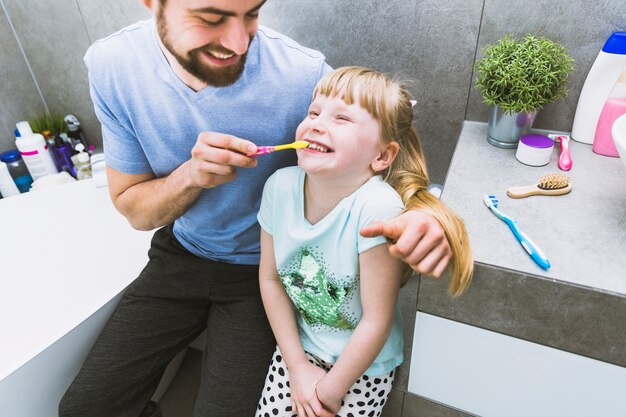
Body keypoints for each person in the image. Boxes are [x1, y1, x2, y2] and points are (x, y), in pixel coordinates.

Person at [59, 1, 461, 417]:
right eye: (211, 18)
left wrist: (426, 215)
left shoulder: (303, 74)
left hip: (258, 275)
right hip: (179, 255)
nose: (238, 41)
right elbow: (136, 213)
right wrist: (190, 176)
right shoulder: (112, 66)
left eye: (251, 13)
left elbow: (380, 153)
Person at [255, 67, 472, 417]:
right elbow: (270, 279)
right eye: (313, 112)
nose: (316, 123)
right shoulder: (278, 188)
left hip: (364, 367)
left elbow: (376, 319)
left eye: (342, 118)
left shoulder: (377, 207)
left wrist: (329, 391)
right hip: (301, 349)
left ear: (382, 157)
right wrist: (296, 367)